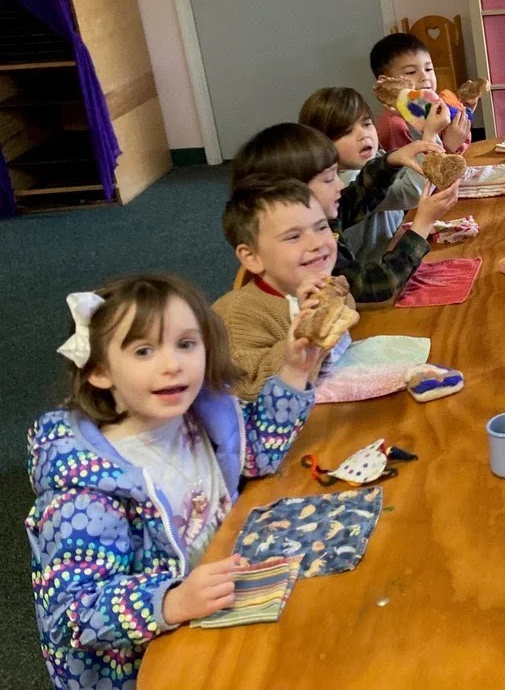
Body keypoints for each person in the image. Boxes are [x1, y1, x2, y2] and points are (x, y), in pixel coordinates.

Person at [26, 274, 318, 689]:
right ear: (98, 371)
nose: (172, 364)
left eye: (186, 344)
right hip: (144, 661)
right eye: (144, 350)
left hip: (215, 608)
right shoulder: (84, 490)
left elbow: (258, 454)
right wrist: (171, 600)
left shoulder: (204, 414)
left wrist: (293, 370)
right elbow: (71, 612)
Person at [229, 123, 459, 304]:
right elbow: (374, 284)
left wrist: (391, 162)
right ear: (291, 192)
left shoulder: (323, 219)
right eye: (329, 179)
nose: (340, 185)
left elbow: (359, 196)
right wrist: (422, 225)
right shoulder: (311, 248)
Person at [214, 177, 355, 398]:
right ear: (252, 257)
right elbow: (252, 391)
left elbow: (347, 307)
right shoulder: (237, 317)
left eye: (321, 227)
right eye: (293, 236)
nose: (317, 243)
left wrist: (326, 305)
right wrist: (308, 326)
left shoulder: (316, 285)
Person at [299, 87, 424, 265]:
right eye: (346, 132)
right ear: (321, 145)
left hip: (394, 255)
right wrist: (426, 132)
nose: (363, 134)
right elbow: (412, 192)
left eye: (366, 124)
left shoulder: (378, 159)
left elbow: (419, 171)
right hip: (375, 274)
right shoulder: (347, 183)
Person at [368, 32, 473, 154]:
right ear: (386, 83)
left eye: (428, 69)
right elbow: (412, 171)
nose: (425, 77)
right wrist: (449, 146)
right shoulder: (394, 126)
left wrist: (466, 110)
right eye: (411, 72)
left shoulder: (428, 108)